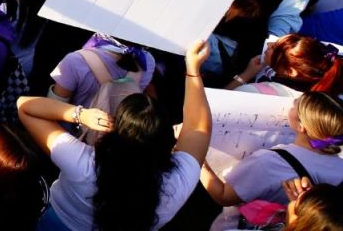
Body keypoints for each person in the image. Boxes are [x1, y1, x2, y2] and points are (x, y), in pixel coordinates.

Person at [18, 39, 213, 231]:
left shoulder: (83, 163)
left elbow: (25, 107)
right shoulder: (179, 180)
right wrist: (193, 71)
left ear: (116, 131)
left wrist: (80, 114)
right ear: (166, 140)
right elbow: (199, 126)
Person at [201, 91, 343, 208]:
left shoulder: (268, 162)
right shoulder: (340, 167)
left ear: (301, 126)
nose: (291, 104)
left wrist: (196, 156)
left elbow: (224, 196)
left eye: (295, 104)